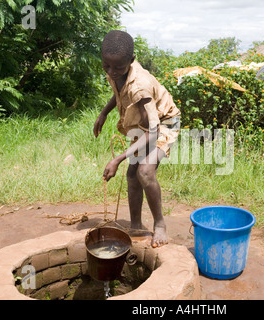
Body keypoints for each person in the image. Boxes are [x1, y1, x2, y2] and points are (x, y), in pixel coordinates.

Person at [93, 30, 181, 248]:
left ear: (131, 61)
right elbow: (119, 91)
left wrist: (117, 159)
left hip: (164, 122)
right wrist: (104, 113)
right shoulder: (116, 69)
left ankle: (159, 224)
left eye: (118, 68)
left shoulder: (140, 85)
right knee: (132, 174)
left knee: (144, 171)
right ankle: (135, 224)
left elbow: (153, 131)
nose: (111, 72)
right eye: (107, 66)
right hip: (145, 126)